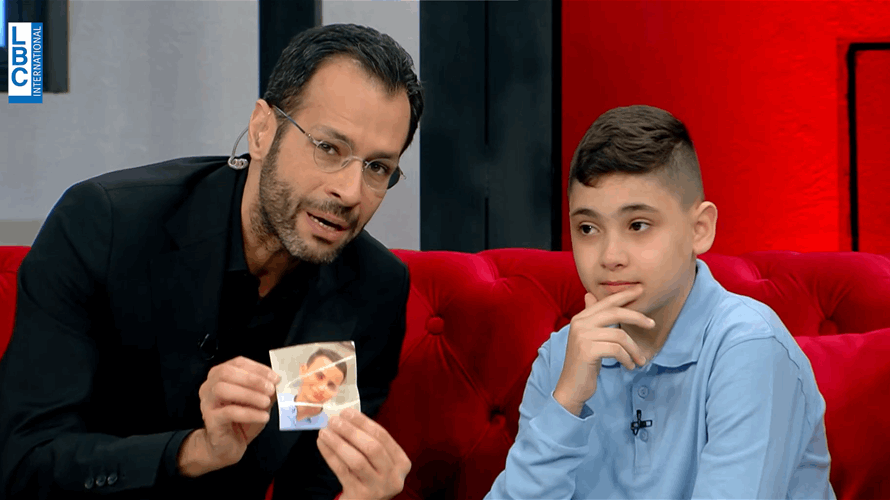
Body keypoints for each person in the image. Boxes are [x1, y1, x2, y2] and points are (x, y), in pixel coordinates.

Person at [0, 23, 422, 500]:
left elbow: (312, 484)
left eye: (377, 167)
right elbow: (25, 464)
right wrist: (194, 451)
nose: (350, 192)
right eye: (328, 148)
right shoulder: (107, 225)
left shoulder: (372, 289)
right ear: (262, 131)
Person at [485, 105, 834, 499]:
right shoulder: (560, 358)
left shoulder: (749, 346)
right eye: (588, 228)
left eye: (638, 225)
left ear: (699, 229)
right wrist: (566, 402)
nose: (610, 256)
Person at [278, 348, 349, 431]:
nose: (322, 388)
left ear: (336, 392)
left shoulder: (328, 429)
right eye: (319, 376)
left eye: (331, 385)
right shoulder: (276, 403)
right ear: (303, 370)